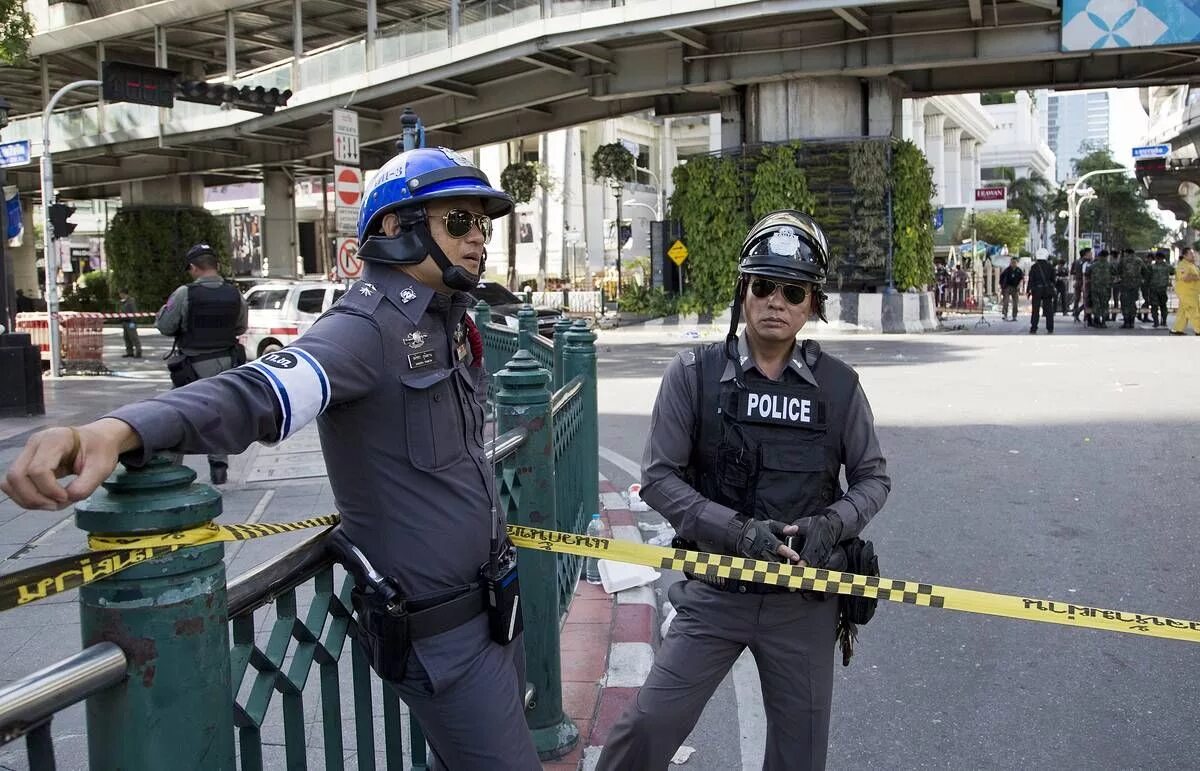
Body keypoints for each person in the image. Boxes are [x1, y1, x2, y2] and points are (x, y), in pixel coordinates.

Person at [0, 147, 538, 770]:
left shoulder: (446, 319)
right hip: (443, 643)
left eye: (483, 225)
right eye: (459, 222)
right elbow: (257, 390)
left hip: (495, 607)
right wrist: (118, 429)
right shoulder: (364, 329)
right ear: (398, 228)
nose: (479, 239)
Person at [597, 211, 890, 771]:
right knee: (647, 727)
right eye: (764, 286)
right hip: (716, 593)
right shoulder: (694, 374)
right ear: (744, 292)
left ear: (812, 304)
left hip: (803, 599)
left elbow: (874, 477)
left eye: (794, 291)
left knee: (799, 755)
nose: (776, 301)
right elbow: (659, 478)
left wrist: (833, 522)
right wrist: (734, 530)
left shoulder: (839, 387)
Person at [155, 243, 249, 484]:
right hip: (227, 362)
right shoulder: (234, 293)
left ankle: (172, 467)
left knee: (179, 413)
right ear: (216, 266)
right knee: (217, 413)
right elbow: (241, 327)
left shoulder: (184, 294)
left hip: (192, 365)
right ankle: (219, 467)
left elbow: (166, 326)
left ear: (194, 268)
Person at [1170, 247, 1200, 336]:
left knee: (1183, 312)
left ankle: (1177, 329)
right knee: (1193, 311)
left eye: (1193, 254)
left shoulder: (1192, 265)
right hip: (1187, 293)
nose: (1193, 255)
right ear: (1184, 255)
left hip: (1192, 292)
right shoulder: (1183, 265)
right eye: (1191, 254)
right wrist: (1197, 277)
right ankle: (1199, 330)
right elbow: (1185, 278)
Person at [1027, 248, 1056, 334]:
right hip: (1047, 290)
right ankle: (1050, 328)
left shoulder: (1034, 267)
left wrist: (1028, 290)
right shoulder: (1050, 266)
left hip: (1036, 290)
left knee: (1035, 310)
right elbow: (1053, 280)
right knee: (1049, 310)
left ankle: (1034, 327)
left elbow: (1031, 280)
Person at [1116, 248, 1147, 329]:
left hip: (1125, 285)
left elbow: (1117, 270)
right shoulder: (1139, 260)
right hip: (1135, 285)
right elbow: (1145, 271)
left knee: (1125, 303)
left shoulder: (1123, 260)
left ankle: (1126, 322)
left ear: (1126, 253)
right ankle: (1132, 322)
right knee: (1133, 303)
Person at [1147, 250, 1174, 328]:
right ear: (1163, 258)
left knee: (1154, 306)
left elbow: (1147, 276)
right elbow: (1173, 272)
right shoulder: (1168, 266)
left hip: (1153, 289)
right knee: (1163, 306)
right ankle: (1164, 322)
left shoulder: (1151, 267)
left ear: (1156, 258)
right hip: (1163, 289)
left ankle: (1156, 322)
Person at [1088, 250, 1113, 329]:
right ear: (1106, 256)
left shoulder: (1094, 265)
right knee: (1104, 305)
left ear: (1099, 256)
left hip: (1095, 287)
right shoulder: (1109, 265)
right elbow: (1115, 272)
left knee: (1096, 304)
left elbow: (1087, 272)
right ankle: (1104, 322)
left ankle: (1097, 320)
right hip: (1105, 288)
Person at [117, 288, 142, 359]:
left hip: (131, 322)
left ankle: (138, 352)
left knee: (134, 337)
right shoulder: (122, 301)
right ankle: (129, 352)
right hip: (124, 322)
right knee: (126, 337)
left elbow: (134, 311)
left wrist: (133, 321)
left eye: (120, 293)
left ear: (124, 293)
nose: (120, 295)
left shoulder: (131, 301)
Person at [999, 256, 1023, 321]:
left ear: (1016, 263)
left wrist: (1019, 285)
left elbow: (1021, 279)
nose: (1013, 263)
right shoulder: (1007, 270)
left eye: (1014, 262)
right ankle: (1005, 314)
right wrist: (1002, 286)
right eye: (1012, 262)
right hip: (1007, 287)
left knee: (1015, 302)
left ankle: (1014, 316)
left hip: (1015, 287)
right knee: (1006, 301)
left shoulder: (1019, 270)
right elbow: (1001, 278)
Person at [1072, 247, 1091, 323]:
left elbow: (1072, 272)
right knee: (1086, 300)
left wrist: (1077, 275)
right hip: (1085, 282)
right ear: (1085, 254)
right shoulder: (1087, 262)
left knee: (1077, 299)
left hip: (1077, 281)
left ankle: (1075, 313)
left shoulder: (1076, 261)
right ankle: (1084, 315)